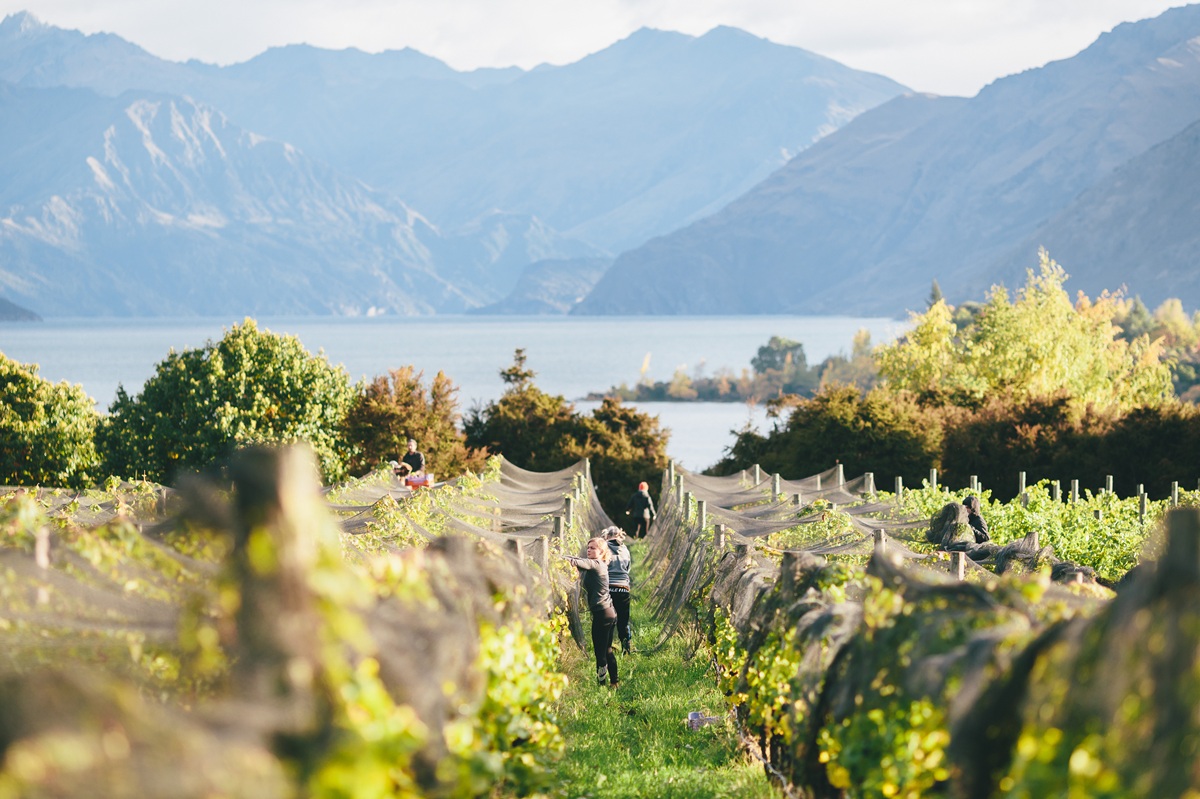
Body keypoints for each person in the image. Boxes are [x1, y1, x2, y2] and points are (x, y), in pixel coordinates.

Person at [563, 537, 619, 688]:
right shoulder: (600, 564)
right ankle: (614, 683)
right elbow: (579, 560)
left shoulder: (595, 564)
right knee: (607, 650)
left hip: (602, 614)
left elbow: (576, 561)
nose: (589, 550)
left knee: (600, 653)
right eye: (588, 547)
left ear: (601, 552)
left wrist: (557, 557)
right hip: (609, 612)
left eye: (593, 548)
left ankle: (601, 686)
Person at [603, 526, 633, 655]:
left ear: (607, 536)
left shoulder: (603, 548)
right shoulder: (625, 549)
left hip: (608, 587)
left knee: (607, 618)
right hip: (623, 588)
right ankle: (626, 644)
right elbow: (628, 568)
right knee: (623, 619)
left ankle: (606, 645)